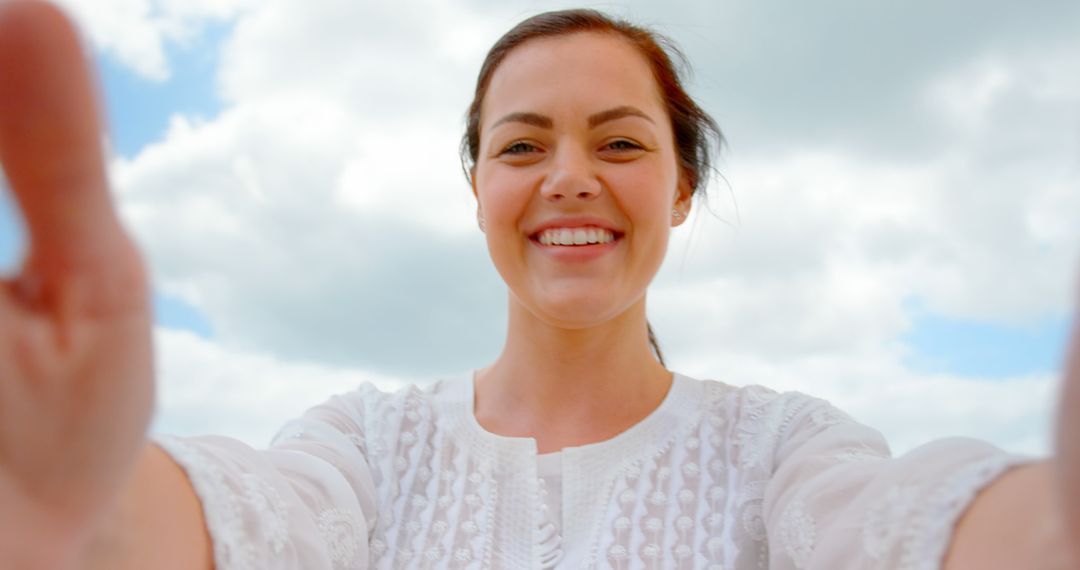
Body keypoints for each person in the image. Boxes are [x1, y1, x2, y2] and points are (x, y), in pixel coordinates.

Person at [0, 1, 1077, 568]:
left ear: (682, 186)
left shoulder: (782, 452)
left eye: (619, 141)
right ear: (477, 188)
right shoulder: (365, 448)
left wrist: (1047, 535)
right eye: (521, 147)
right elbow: (261, 523)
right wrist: (85, 516)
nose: (569, 178)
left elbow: (889, 528)